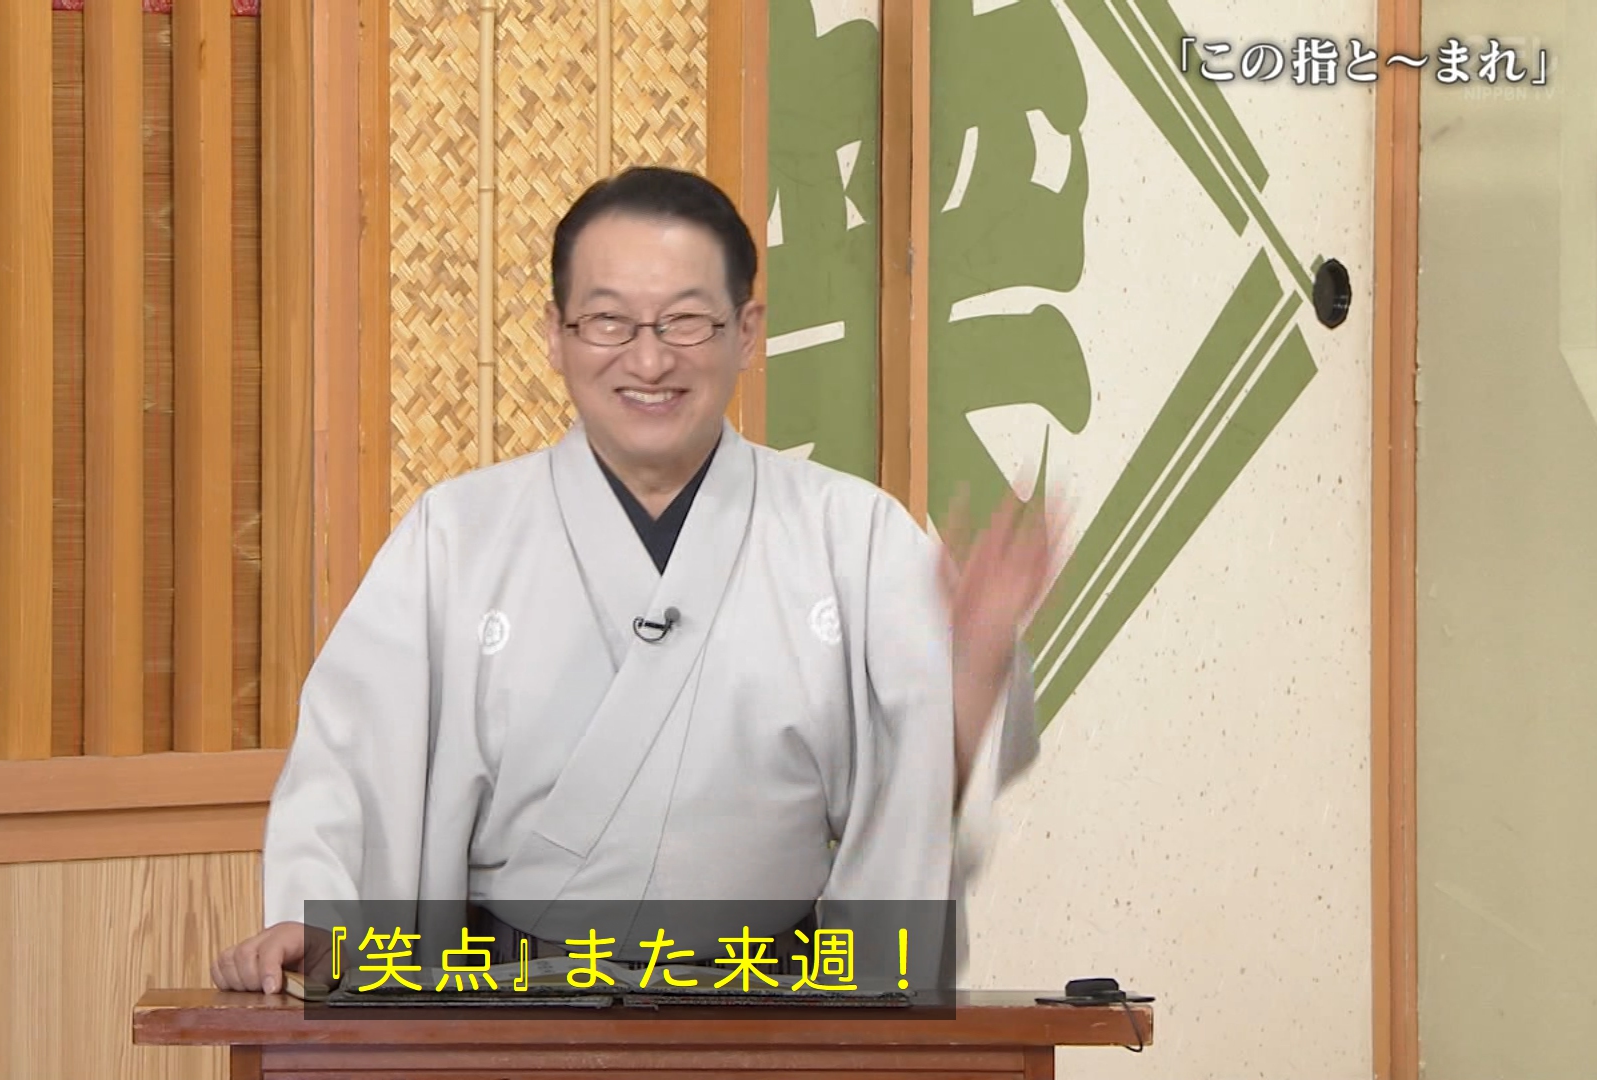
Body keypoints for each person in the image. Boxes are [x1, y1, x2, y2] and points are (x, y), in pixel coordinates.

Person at [212, 166, 1054, 995]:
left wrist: (974, 669)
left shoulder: (852, 534)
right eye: (609, 321)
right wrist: (318, 915)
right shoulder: (455, 536)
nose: (649, 360)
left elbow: (919, 787)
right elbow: (351, 756)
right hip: (507, 1014)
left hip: (773, 1015)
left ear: (746, 330)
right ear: (556, 333)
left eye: (686, 321)